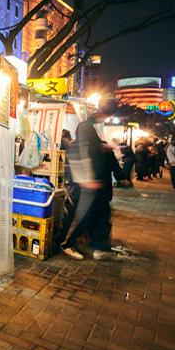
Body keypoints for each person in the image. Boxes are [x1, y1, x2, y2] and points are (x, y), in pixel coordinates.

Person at [61, 101, 116, 260]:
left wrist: (102, 147)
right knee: (79, 214)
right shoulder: (86, 126)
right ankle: (65, 243)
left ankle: (74, 241)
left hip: (90, 181)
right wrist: (87, 179)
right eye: (107, 116)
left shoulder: (91, 127)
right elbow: (81, 152)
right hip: (85, 181)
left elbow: (89, 150)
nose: (106, 119)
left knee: (85, 214)